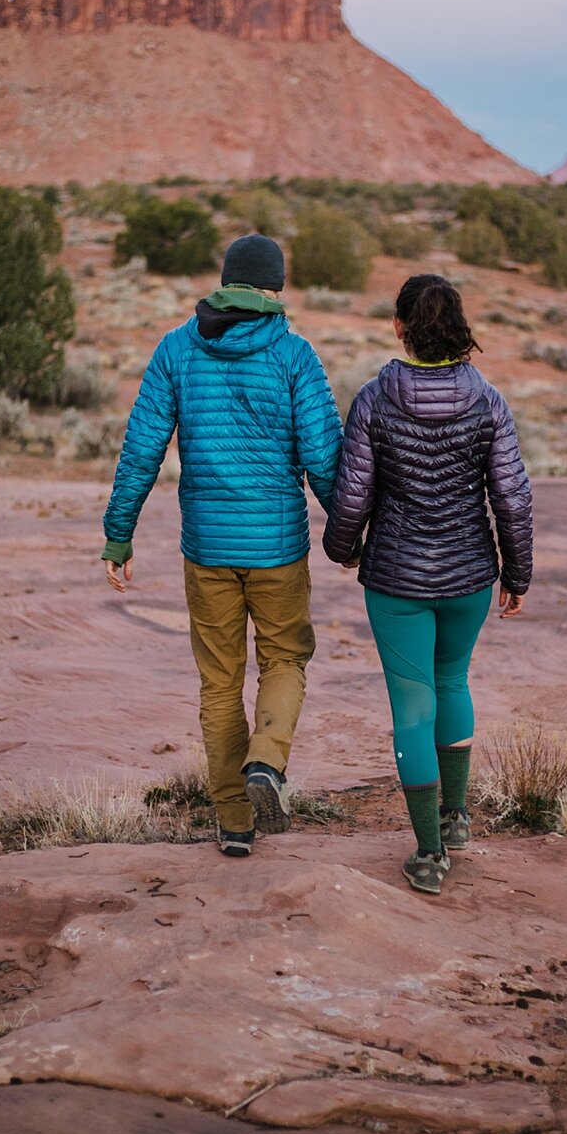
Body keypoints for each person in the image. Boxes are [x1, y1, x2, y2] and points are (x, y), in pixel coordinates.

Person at [102, 234, 342, 857]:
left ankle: (234, 821)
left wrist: (118, 533)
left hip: (206, 548)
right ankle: (266, 761)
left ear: (226, 280)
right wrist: (350, 533)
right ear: (274, 286)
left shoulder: (177, 349)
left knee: (218, 682)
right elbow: (323, 458)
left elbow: (142, 449)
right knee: (285, 660)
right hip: (279, 548)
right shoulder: (294, 355)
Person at [322, 273, 532, 896]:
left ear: (400, 327)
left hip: (395, 580)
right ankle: (457, 819)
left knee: (413, 706)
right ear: (459, 328)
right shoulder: (488, 399)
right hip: (469, 576)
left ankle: (428, 855)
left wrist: (342, 548)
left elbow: (352, 491)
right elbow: (512, 499)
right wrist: (517, 573)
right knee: (452, 681)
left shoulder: (374, 400)